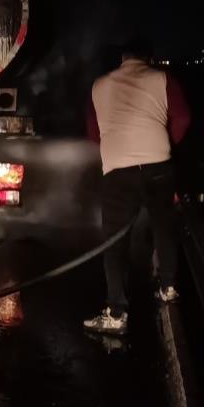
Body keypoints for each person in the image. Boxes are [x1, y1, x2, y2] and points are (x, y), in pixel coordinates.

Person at [82, 37, 191, 336]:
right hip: (159, 166)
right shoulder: (162, 78)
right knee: (163, 225)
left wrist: (118, 146)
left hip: (117, 170)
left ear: (123, 58)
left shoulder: (99, 86)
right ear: (149, 58)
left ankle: (117, 312)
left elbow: (94, 133)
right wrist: (166, 142)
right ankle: (168, 287)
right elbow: (182, 117)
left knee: (115, 242)